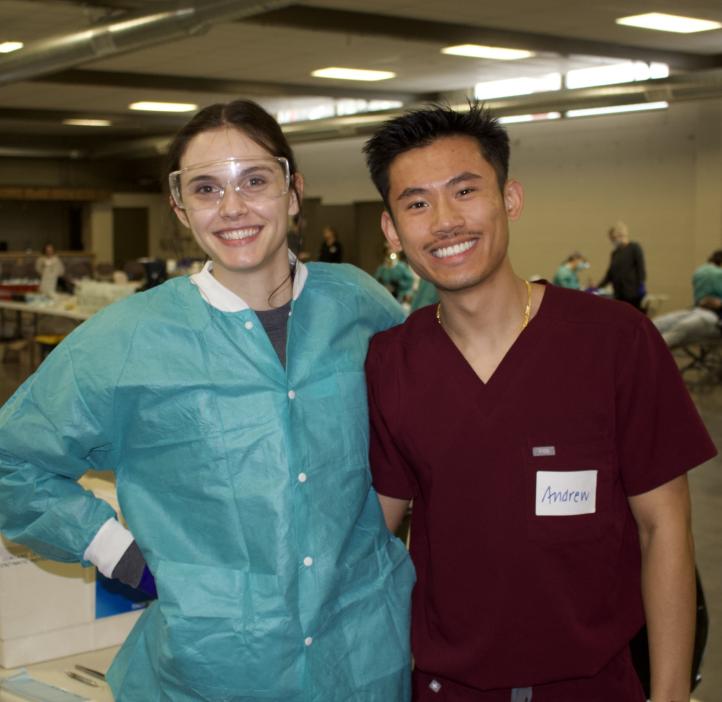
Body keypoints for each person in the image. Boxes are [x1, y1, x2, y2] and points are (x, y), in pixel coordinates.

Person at [0, 99, 414, 702]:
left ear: (293, 191)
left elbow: (419, 426)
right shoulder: (129, 338)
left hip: (363, 653)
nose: (234, 208)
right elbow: (11, 459)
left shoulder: (360, 305)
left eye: (254, 180)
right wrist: (120, 554)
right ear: (180, 208)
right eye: (205, 188)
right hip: (213, 666)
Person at [362, 103, 715, 702]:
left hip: (595, 684)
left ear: (510, 199)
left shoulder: (615, 342)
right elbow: (372, 534)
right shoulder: (392, 363)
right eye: (417, 203)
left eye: (465, 191)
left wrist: (671, 693)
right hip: (448, 686)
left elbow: (665, 530)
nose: (445, 221)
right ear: (393, 231)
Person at [653, 250, 722, 348]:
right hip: (698, 311)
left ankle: (649, 352)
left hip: (715, 319)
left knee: (681, 328)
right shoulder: (710, 274)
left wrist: (719, 304)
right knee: (659, 322)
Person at [598, 221, 646, 310]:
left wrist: (641, 283)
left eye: (613, 238)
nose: (612, 241)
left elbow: (640, 267)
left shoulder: (634, 248)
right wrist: (598, 287)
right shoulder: (615, 253)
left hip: (632, 292)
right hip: (619, 293)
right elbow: (610, 274)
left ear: (620, 236)